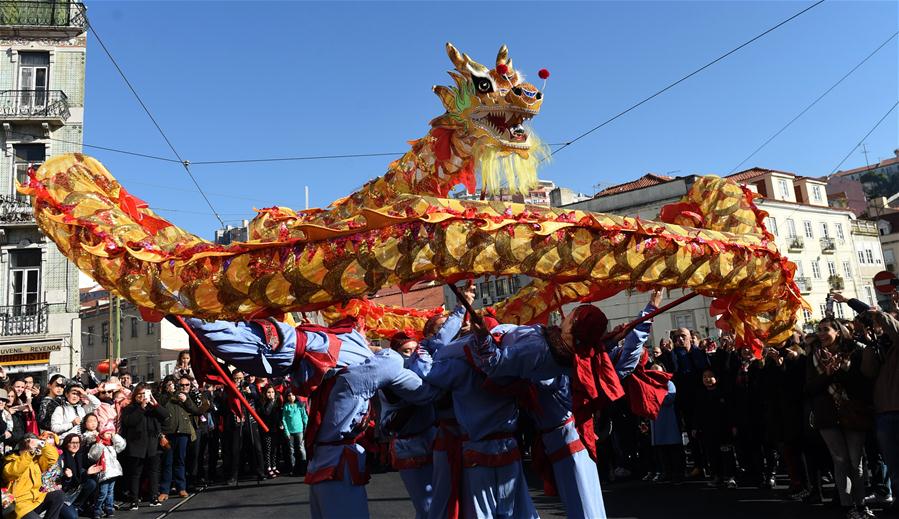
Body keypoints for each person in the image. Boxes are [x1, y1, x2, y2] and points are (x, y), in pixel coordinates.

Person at [806, 318, 875, 519]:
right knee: (840, 460)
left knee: (856, 461)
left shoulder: (854, 352)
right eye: (818, 330)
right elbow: (809, 388)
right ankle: (847, 506)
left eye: (825, 329)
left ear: (837, 331)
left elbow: (863, 384)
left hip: (853, 412)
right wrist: (827, 374)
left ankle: (861, 505)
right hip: (827, 415)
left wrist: (843, 370)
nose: (821, 333)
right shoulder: (814, 356)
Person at [119, 383, 169, 510]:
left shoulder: (153, 408)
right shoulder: (129, 408)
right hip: (136, 445)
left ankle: (153, 497)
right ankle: (134, 500)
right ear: (135, 395)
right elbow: (130, 422)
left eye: (145, 394)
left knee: (153, 473)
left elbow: (165, 416)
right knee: (135, 474)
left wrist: (155, 404)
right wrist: (141, 408)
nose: (142, 397)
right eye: (140, 394)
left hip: (152, 445)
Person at [3, 432, 65, 519]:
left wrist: (43, 443)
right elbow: (14, 472)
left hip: (35, 499)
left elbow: (53, 458)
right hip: (19, 504)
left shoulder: (36, 460)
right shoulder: (11, 459)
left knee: (58, 495)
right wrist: (28, 452)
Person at [159, 376, 200, 501]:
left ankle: (181, 487)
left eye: (173, 384)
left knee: (180, 460)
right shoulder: (162, 397)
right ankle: (165, 490)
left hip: (182, 432)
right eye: (169, 384)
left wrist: (186, 400)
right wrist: (161, 435)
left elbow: (195, 410)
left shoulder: (182, 396)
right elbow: (158, 411)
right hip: (168, 433)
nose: (172, 386)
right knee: (167, 462)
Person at [57, 434, 101, 519]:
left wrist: (87, 473)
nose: (75, 445)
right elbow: (60, 484)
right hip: (64, 495)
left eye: (77, 442)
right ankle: (64, 509)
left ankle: (76, 506)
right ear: (66, 444)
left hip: (74, 492)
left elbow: (79, 480)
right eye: (72, 442)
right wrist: (67, 478)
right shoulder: (61, 458)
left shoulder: (79, 457)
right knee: (73, 517)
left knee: (91, 483)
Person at [87, 424, 125, 519]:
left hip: (113, 472)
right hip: (103, 473)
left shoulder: (112, 446)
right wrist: (99, 444)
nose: (109, 435)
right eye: (107, 433)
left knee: (110, 492)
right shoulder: (98, 444)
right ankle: (97, 509)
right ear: (102, 434)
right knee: (102, 493)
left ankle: (109, 508)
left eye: (111, 433)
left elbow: (122, 445)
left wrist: (115, 436)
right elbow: (93, 456)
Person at [256, 385, 283, 478]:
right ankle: (268, 468)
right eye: (269, 392)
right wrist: (271, 402)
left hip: (275, 429)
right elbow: (265, 413)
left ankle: (274, 466)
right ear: (265, 393)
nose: (271, 394)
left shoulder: (277, 402)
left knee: (274, 449)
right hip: (266, 429)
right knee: (267, 450)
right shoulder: (262, 403)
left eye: (272, 392)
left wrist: (280, 423)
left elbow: (279, 415)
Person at [282, 392, 308, 476]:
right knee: (291, 450)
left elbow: (304, 417)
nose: (291, 397)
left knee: (301, 449)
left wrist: (306, 427)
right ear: (287, 397)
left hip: (299, 430)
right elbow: (284, 420)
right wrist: (286, 431)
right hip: (290, 432)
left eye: (293, 395)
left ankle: (304, 468)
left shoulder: (299, 405)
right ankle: (293, 469)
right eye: (289, 395)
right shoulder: (286, 406)